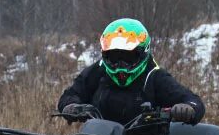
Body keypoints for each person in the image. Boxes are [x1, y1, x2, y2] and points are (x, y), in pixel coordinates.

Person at [58, 18, 204, 126]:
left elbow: (194, 102)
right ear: (105, 55)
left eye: (128, 57)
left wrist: (187, 109)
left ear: (142, 53)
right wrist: (71, 106)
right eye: (114, 57)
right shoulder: (98, 71)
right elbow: (70, 95)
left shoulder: (154, 76)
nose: (120, 65)